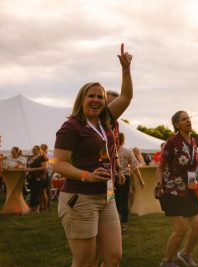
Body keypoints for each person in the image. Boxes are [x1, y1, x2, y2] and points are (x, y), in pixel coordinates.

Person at [53, 43, 133, 267]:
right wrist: (87, 175)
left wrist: (126, 69)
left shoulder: (105, 121)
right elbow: (58, 164)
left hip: (106, 196)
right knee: (85, 260)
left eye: (100, 97)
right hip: (80, 198)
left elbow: (126, 96)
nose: (97, 100)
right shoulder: (72, 127)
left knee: (113, 256)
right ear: (82, 99)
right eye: (92, 96)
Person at [155, 111, 198, 267]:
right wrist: (159, 185)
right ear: (177, 125)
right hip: (172, 189)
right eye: (184, 119)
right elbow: (160, 166)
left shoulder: (193, 142)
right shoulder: (172, 142)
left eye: (189, 118)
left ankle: (185, 254)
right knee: (181, 229)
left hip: (189, 188)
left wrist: (194, 183)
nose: (188, 120)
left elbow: (191, 167)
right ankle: (167, 262)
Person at [116, 132, 145, 232]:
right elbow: (135, 167)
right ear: (123, 140)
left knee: (111, 200)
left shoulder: (109, 151)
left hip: (111, 180)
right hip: (124, 179)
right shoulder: (127, 151)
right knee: (123, 201)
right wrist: (141, 180)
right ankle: (124, 223)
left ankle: (117, 222)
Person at [26, 145, 48, 213]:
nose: (34, 150)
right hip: (31, 177)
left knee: (37, 192)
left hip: (39, 177)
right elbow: (28, 166)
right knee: (33, 192)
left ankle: (35, 208)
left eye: (36, 149)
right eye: (33, 149)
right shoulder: (30, 157)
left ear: (39, 150)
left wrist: (34, 169)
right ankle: (36, 209)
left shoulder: (42, 157)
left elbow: (45, 167)